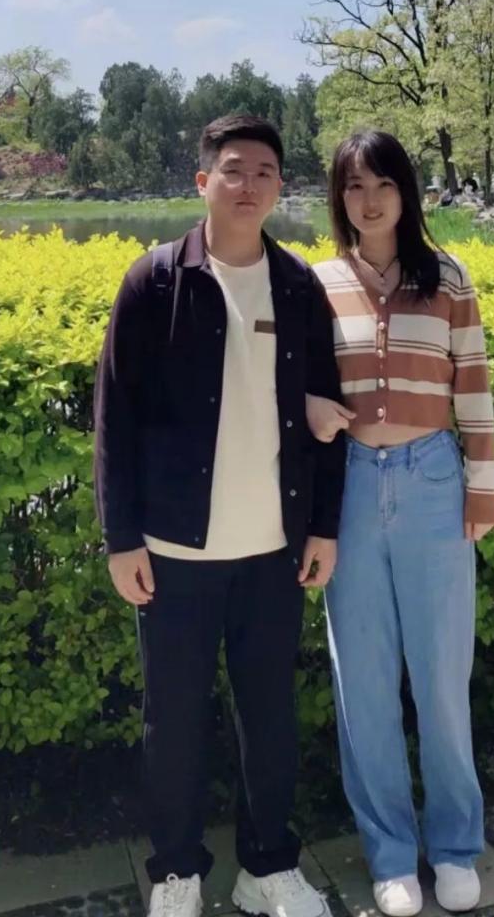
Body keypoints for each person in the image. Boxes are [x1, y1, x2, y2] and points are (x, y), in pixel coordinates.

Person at [94, 114, 346, 917]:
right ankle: (176, 871)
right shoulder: (155, 281)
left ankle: (268, 867)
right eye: (233, 170)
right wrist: (121, 538)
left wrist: (324, 526)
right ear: (203, 180)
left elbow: (326, 413)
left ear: (280, 187)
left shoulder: (298, 287)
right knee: (172, 721)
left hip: (273, 550)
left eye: (265, 172)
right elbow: (115, 417)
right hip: (173, 550)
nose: (249, 185)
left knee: (269, 718)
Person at [305, 131, 494, 917]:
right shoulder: (317, 284)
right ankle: (390, 854)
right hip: (351, 486)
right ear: (338, 198)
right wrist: (309, 406)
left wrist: (482, 487)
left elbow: (473, 385)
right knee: (364, 681)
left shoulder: (447, 277)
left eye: (383, 183)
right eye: (354, 186)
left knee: (443, 676)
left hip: (432, 482)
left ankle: (454, 846)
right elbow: (291, 381)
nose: (370, 199)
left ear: (406, 191)